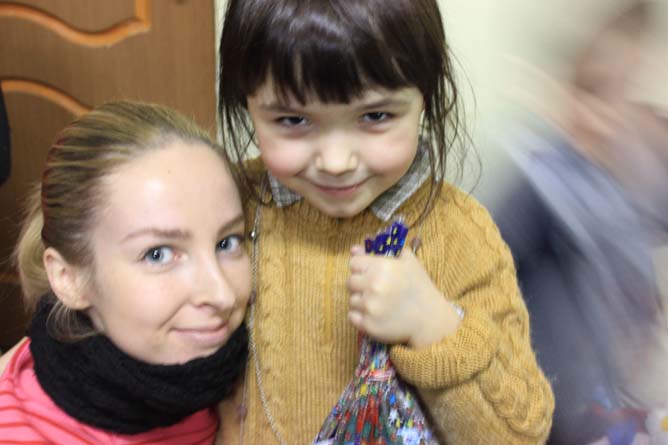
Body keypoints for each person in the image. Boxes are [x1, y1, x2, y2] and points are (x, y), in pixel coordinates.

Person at [215, 1, 554, 444]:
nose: (336, 162)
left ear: (425, 97)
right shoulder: (224, 204)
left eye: (375, 116)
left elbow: (519, 435)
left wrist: (434, 326)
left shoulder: (459, 234)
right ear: (246, 102)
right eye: (293, 120)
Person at [0, 101, 251, 444]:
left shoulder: (225, 367)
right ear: (69, 278)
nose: (222, 295)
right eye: (158, 254)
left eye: (227, 243)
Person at [494, 2, 668, 444]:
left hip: (608, 400)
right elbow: (475, 272)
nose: (603, 119)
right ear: (567, 91)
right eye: (591, 93)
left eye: (622, 98)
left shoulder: (628, 180)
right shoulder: (540, 185)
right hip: (548, 410)